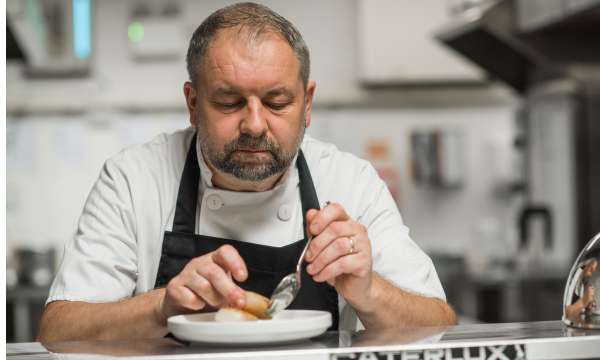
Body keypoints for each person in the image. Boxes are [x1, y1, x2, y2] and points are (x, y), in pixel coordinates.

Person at [38, 2, 456, 342]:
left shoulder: (351, 182)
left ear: (307, 104)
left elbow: (440, 324)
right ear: (193, 103)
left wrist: (369, 291)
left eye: (277, 103)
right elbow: (57, 332)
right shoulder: (133, 180)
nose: (255, 125)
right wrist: (162, 306)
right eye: (229, 102)